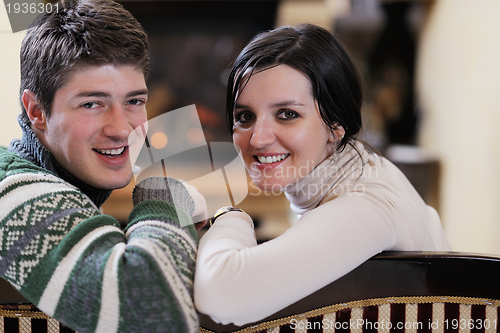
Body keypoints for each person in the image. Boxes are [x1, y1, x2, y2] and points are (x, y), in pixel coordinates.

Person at [194, 23, 451, 326]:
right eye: (245, 117)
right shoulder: (364, 169)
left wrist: (229, 217)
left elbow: (224, 295)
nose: (257, 138)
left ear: (336, 126)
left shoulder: (365, 204)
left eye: (287, 114)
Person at [0, 0, 204, 331]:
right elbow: (153, 316)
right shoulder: (11, 188)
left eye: (134, 101)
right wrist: (164, 196)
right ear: (36, 111)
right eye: (92, 104)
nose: (122, 129)